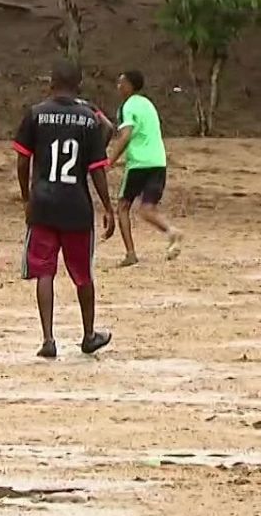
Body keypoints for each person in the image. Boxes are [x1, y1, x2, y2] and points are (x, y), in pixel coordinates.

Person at [15, 59, 116, 358]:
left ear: (50, 82)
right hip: (76, 206)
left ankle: (48, 340)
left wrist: (26, 197)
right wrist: (107, 206)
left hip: (43, 203)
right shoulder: (88, 119)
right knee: (82, 273)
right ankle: (88, 335)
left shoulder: (35, 114)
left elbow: (22, 160)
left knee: (44, 271)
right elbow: (97, 169)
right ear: (79, 85)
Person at [109, 70, 181, 266]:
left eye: (121, 83)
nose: (118, 87)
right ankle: (171, 231)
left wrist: (110, 161)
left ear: (130, 86)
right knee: (147, 208)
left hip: (139, 163)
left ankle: (130, 253)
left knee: (123, 207)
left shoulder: (128, 106)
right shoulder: (148, 104)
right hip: (158, 161)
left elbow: (126, 135)